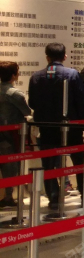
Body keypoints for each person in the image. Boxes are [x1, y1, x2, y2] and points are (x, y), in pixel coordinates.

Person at [28, 43, 84, 207]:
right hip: (72, 127)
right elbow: (80, 101)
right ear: (64, 56)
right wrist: (82, 123)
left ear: (47, 57)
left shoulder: (36, 77)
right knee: (79, 162)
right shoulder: (72, 74)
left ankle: (53, 199)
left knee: (49, 164)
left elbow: (33, 103)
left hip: (47, 127)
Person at [0, 61, 31, 208]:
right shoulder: (15, 94)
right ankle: (8, 196)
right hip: (11, 134)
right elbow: (26, 111)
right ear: (13, 75)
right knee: (11, 164)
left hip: (4, 132)